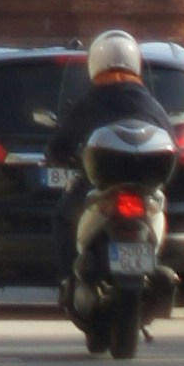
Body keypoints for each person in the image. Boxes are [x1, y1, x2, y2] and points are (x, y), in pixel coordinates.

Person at [41, 27, 157, 298]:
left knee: (63, 218)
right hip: (147, 185)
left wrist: (58, 157)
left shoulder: (91, 102)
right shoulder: (150, 103)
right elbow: (172, 141)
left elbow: (59, 146)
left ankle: (69, 281)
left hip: (101, 185)